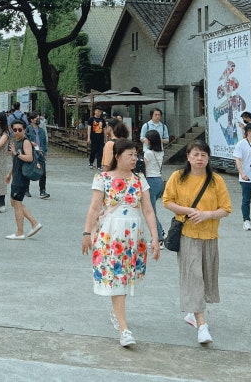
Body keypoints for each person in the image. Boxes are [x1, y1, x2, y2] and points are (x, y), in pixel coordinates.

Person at [81, 139, 160, 348]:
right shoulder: (103, 178)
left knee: (124, 278)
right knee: (117, 277)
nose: (134, 159)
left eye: (135, 155)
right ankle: (124, 329)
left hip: (133, 236)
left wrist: (155, 237)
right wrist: (87, 233)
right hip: (110, 235)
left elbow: (148, 210)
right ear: (117, 156)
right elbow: (94, 208)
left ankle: (117, 313)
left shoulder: (139, 179)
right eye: (129, 155)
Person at [163, 140, 232, 345]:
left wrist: (207, 214)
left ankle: (193, 313)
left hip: (210, 236)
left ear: (208, 158)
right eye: (195, 154)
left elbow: (226, 208)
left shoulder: (216, 180)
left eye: (203, 155)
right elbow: (167, 201)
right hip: (188, 235)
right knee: (194, 277)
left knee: (206, 278)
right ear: (188, 157)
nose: (199, 158)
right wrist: (189, 211)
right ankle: (202, 325)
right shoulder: (178, 177)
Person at [4, 120, 42, 240]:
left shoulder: (25, 142)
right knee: (14, 202)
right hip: (16, 176)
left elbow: (29, 158)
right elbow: (15, 161)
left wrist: (16, 153)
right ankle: (34, 223)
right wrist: (9, 174)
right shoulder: (15, 141)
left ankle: (20, 232)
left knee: (17, 203)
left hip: (22, 177)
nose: (17, 132)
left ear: (24, 130)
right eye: (14, 129)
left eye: (20, 129)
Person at [142, 129, 165, 244]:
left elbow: (143, 167)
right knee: (152, 210)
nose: (144, 140)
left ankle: (159, 238)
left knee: (150, 211)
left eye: (146, 138)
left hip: (150, 181)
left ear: (150, 140)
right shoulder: (161, 152)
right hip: (159, 181)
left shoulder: (148, 153)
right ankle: (160, 232)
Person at [27, 112, 50, 198]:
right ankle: (26, 189)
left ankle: (42, 190)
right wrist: (30, 143)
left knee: (43, 172)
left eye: (39, 118)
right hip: (31, 152)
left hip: (40, 153)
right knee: (29, 171)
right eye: (36, 119)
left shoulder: (42, 130)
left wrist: (44, 151)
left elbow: (44, 142)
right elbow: (24, 140)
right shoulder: (28, 129)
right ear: (32, 120)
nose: (38, 120)